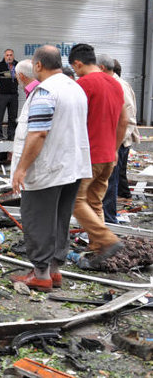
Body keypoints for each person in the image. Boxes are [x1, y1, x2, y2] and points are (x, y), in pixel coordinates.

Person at [10, 45, 91, 292]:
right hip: (72, 167)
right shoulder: (74, 87)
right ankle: (54, 271)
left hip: (48, 169)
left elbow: (38, 134)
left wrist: (21, 169)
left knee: (39, 219)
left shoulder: (45, 91)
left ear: (38, 66)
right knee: (60, 218)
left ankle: (41, 275)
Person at [69, 43, 128, 266]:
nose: (75, 72)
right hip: (108, 155)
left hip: (88, 154)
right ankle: (97, 246)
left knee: (76, 200)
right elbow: (123, 120)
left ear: (78, 63)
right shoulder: (115, 84)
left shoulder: (82, 84)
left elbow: (72, 120)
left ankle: (107, 239)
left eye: (75, 69)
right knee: (94, 201)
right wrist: (114, 149)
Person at [99, 55, 140, 223]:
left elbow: (128, 118)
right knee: (108, 182)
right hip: (113, 142)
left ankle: (109, 220)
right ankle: (106, 218)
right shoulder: (110, 84)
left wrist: (115, 145)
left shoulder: (119, 85)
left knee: (111, 182)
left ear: (101, 68)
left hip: (118, 143)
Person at [113, 59, 134, 199]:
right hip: (120, 138)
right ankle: (124, 197)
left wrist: (118, 141)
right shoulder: (118, 84)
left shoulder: (119, 85)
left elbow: (128, 116)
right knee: (118, 175)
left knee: (116, 175)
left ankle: (124, 197)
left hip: (120, 139)